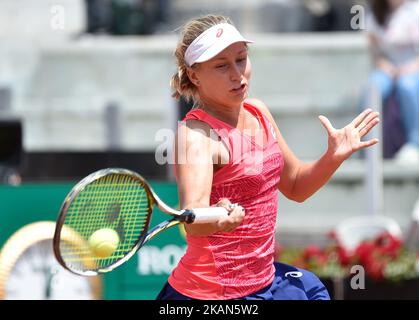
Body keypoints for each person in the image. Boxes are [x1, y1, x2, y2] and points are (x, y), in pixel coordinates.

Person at [157, 14, 380, 300]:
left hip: (265, 282)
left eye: (241, 59)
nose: (237, 74)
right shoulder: (195, 135)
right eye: (221, 66)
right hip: (211, 295)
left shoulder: (259, 111)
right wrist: (219, 215)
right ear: (194, 75)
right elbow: (194, 216)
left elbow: (297, 186)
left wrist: (332, 157)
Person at [365, 0, 419, 163]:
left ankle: (415, 144)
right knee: (374, 86)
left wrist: (411, 67)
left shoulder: (415, 10)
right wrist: (386, 66)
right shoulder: (374, 13)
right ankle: (367, 145)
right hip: (388, 70)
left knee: (407, 87)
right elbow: (376, 53)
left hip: (413, 69)